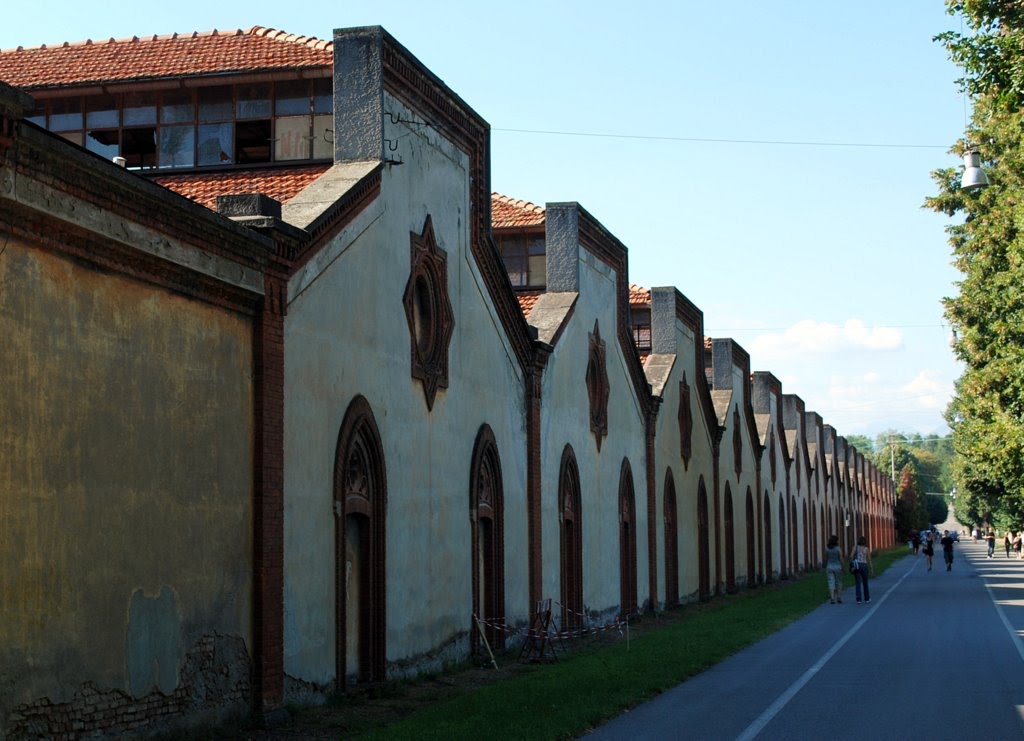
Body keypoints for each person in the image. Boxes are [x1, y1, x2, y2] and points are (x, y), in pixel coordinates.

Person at [850, 536, 872, 604]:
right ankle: (867, 598)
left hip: (857, 566)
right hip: (864, 566)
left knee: (858, 583)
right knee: (865, 583)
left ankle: (858, 599)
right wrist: (871, 568)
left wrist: (852, 563)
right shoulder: (866, 549)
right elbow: (869, 559)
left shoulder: (855, 547)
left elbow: (851, 556)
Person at [825, 535, 844, 604]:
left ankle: (832, 598)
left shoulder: (827, 549)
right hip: (838, 567)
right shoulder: (838, 549)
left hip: (829, 567)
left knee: (831, 582)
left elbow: (826, 558)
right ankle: (839, 597)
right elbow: (841, 558)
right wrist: (843, 567)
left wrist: (826, 565)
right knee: (838, 582)